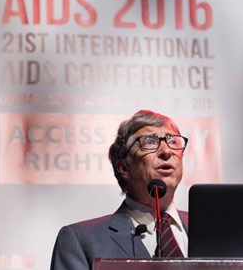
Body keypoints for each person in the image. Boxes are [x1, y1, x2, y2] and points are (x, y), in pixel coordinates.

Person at [50, 110, 189, 270]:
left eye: (173, 141)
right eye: (150, 141)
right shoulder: (81, 240)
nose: (166, 151)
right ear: (124, 168)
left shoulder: (214, 230)